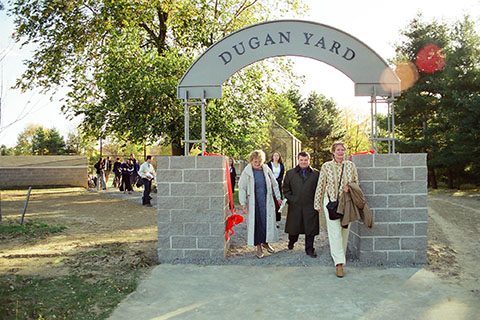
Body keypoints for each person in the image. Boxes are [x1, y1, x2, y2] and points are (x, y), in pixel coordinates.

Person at [314, 141, 359, 278]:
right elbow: (321, 185)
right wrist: (317, 203)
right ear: (333, 152)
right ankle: (339, 264)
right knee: (334, 233)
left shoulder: (351, 166)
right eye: (338, 150)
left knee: (344, 230)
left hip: (347, 203)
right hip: (331, 203)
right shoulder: (326, 166)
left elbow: (356, 182)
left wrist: (349, 188)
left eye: (343, 150)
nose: (341, 152)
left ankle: (340, 257)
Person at [238, 150, 283, 258]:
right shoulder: (247, 171)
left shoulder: (266, 169)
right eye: (255, 162)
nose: (258, 164)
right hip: (253, 203)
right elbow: (242, 188)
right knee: (256, 223)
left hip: (266, 201)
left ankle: (266, 243)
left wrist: (278, 198)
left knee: (266, 222)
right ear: (251, 161)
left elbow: (275, 184)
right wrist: (243, 203)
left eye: (260, 161)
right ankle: (258, 247)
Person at [283, 151, 320, 257]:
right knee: (294, 228)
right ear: (298, 160)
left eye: (305, 160)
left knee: (310, 228)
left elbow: (320, 188)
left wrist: (317, 202)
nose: (303, 162)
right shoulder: (290, 173)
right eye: (301, 160)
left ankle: (309, 249)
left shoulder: (316, 174)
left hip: (310, 205)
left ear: (309, 160)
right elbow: (285, 189)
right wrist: (292, 199)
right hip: (295, 205)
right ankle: (291, 242)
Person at [266, 151, 285, 222]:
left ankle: (277, 219)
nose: (276, 157)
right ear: (272, 156)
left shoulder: (281, 165)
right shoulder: (268, 165)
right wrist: (272, 180)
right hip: (270, 184)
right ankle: (270, 219)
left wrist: (277, 181)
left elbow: (282, 175)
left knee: (278, 201)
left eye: (277, 156)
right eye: (275, 155)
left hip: (278, 184)